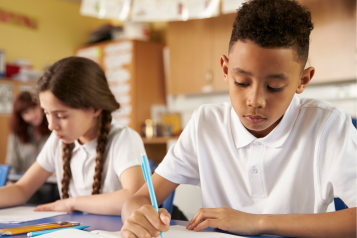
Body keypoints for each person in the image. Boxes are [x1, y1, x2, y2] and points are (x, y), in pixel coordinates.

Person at [120, 0, 356, 237]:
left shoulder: (328, 125)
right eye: (242, 82)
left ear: (302, 81)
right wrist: (137, 215)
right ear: (225, 69)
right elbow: (140, 198)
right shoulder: (206, 123)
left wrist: (257, 222)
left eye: (274, 87)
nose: (255, 100)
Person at [0, 57, 146, 215]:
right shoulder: (58, 140)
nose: (51, 125)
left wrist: (72, 203)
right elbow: (22, 189)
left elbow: (136, 197)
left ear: (95, 108)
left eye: (61, 116)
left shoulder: (123, 139)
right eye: (46, 113)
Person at [6, 91, 50, 173]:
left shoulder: (53, 128)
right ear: (20, 116)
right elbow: (11, 164)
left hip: (53, 182)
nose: (32, 115)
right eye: (26, 112)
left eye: (34, 108)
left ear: (40, 106)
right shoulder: (17, 134)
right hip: (26, 182)